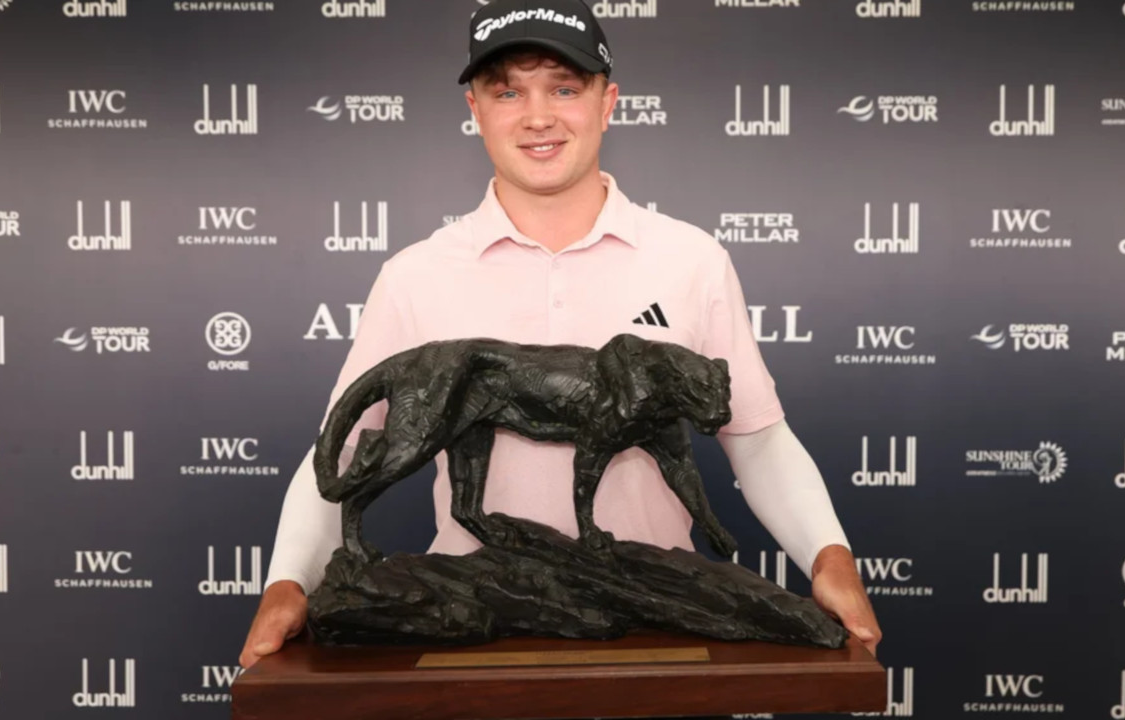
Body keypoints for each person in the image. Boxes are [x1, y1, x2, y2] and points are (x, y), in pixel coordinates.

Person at [239, 0, 881, 673]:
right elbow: (339, 452)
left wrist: (829, 556)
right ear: (475, 111)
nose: (538, 116)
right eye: (507, 92)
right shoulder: (415, 275)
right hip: (471, 638)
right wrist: (288, 581)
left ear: (608, 103)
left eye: (564, 89)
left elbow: (758, 440)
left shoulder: (691, 259)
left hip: (656, 635)